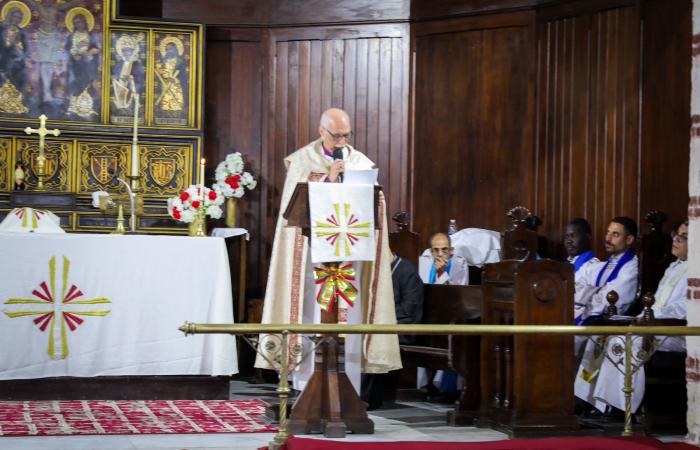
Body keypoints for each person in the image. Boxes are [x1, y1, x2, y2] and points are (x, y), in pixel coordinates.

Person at [254, 108, 401, 395]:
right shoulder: (301, 162)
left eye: (347, 135)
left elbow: (376, 202)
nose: (342, 141)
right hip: (312, 259)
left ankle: (349, 387)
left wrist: (371, 191)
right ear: (322, 131)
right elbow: (293, 210)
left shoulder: (359, 161)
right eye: (337, 135)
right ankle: (306, 385)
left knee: (351, 312)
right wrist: (327, 180)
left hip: (349, 256)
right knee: (311, 312)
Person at [575, 220, 688, 417]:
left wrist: (649, 316)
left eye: (684, 237)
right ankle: (588, 400)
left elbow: (683, 308)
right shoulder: (674, 267)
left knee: (624, 342)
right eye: (675, 234)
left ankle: (621, 409)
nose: (676, 239)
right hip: (654, 326)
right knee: (602, 337)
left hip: (676, 334)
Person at [361, 249, 424, 410]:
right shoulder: (379, 272)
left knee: (376, 339)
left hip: (405, 328)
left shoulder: (407, 271)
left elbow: (409, 309)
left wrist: (383, 317)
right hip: (384, 326)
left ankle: (365, 397)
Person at [574, 216, 638, 325]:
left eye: (615, 234)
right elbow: (573, 285)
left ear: (629, 239)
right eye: (608, 233)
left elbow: (606, 301)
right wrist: (596, 291)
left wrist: (589, 291)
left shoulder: (631, 269)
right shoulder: (600, 266)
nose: (608, 239)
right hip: (588, 315)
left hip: (605, 325)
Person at [65, 9, 100, 119]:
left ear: (85, 22)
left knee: (87, 85)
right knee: (76, 85)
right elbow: (67, 49)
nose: (78, 24)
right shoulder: (72, 36)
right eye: (76, 23)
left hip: (88, 65)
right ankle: (74, 107)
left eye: (80, 22)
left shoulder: (90, 35)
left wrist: (92, 52)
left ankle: (88, 108)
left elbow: (96, 49)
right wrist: (74, 54)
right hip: (76, 66)